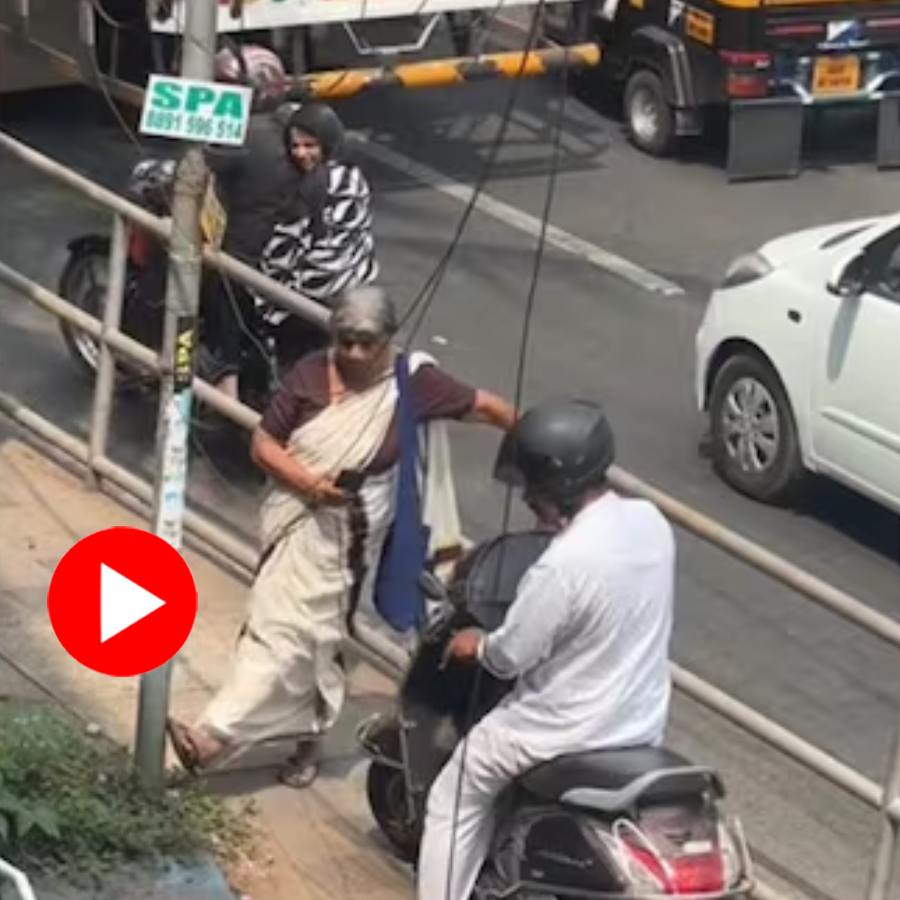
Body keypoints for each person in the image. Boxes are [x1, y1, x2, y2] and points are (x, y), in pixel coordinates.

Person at [166, 286, 516, 786]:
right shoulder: (310, 374)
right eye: (344, 341)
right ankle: (222, 737)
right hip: (296, 521)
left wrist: (532, 449)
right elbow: (265, 443)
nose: (353, 353)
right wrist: (310, 483)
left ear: (388, 340)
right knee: (276, 632)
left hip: (353, 539)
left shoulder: (413, 382)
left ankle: (248, 739)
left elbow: (486, 407)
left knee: (312, 640)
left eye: (365, 343)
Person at [416, 398, 676, 900]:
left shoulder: (562, 565)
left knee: (456, 793)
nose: (528, 498)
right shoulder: (652, 523)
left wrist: (476, 644)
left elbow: (509, 656)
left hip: (559, 731)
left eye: (533, 488)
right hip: (639, 724)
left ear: (553, 487)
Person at [201, 43, 295, 400]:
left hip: (247, 248)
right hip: (290, 241)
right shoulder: (292, 123)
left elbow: (201, 166)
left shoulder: (241, 135)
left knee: (220, 288)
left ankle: (227, 382)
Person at [257, 101, 379, 369]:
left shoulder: (312, 186)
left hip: (313, 300)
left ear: (326, 143)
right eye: (295, 146)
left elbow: (283, 252)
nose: (301, 153)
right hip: (355, 288)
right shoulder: (352, 174)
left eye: (310, 145)